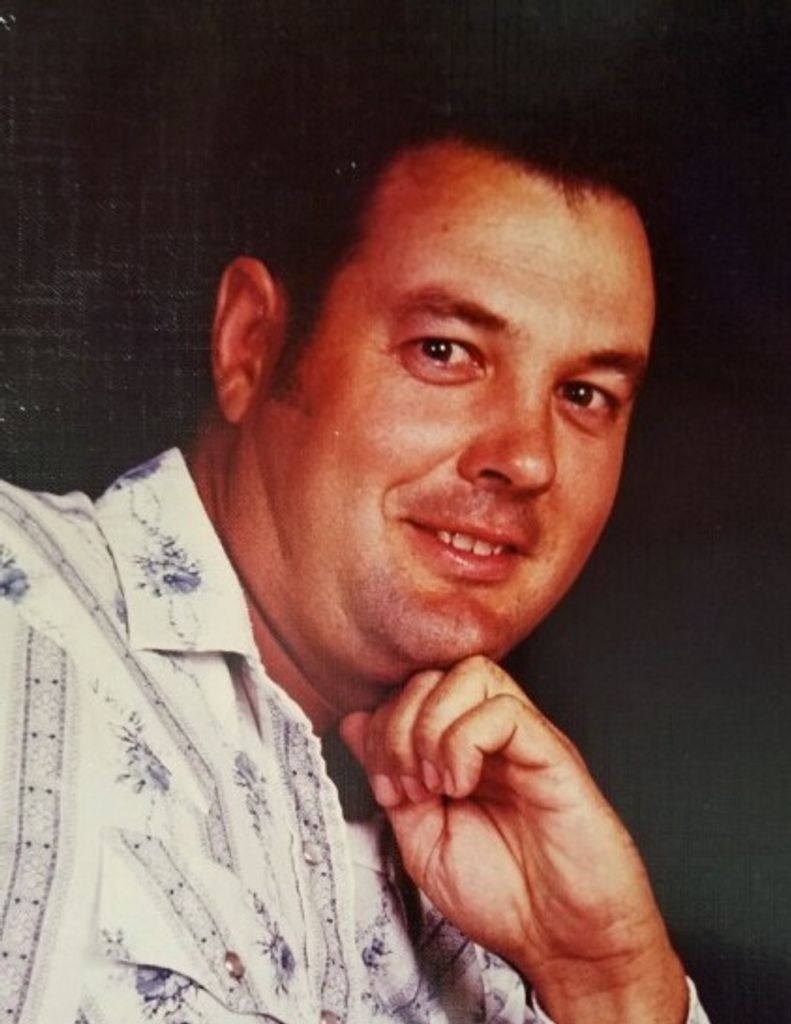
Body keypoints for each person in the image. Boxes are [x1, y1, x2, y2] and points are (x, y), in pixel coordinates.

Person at [0, 132, 710, 1024]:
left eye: (583, 395)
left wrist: (609, 984)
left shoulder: (516, 888)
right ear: (251, 344)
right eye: (444, 351)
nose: (527, 459)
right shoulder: (21, 619)